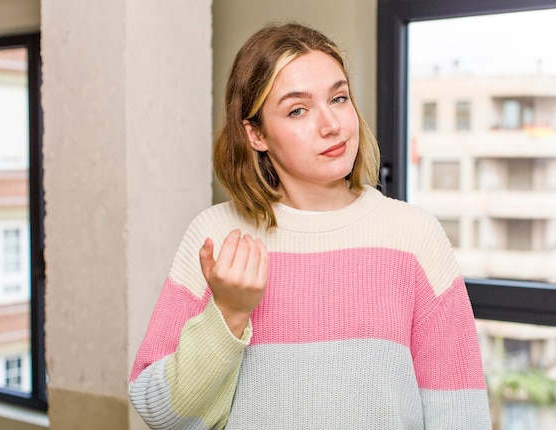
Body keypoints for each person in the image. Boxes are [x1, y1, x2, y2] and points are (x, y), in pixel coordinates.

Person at [129, 22, 491, 430]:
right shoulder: (214, 237)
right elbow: (160, 415)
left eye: (339, 98)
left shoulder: (414, 237)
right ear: (255, 133)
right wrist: (228, 313)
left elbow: (461, 415)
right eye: (297, 109)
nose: (331, 124)